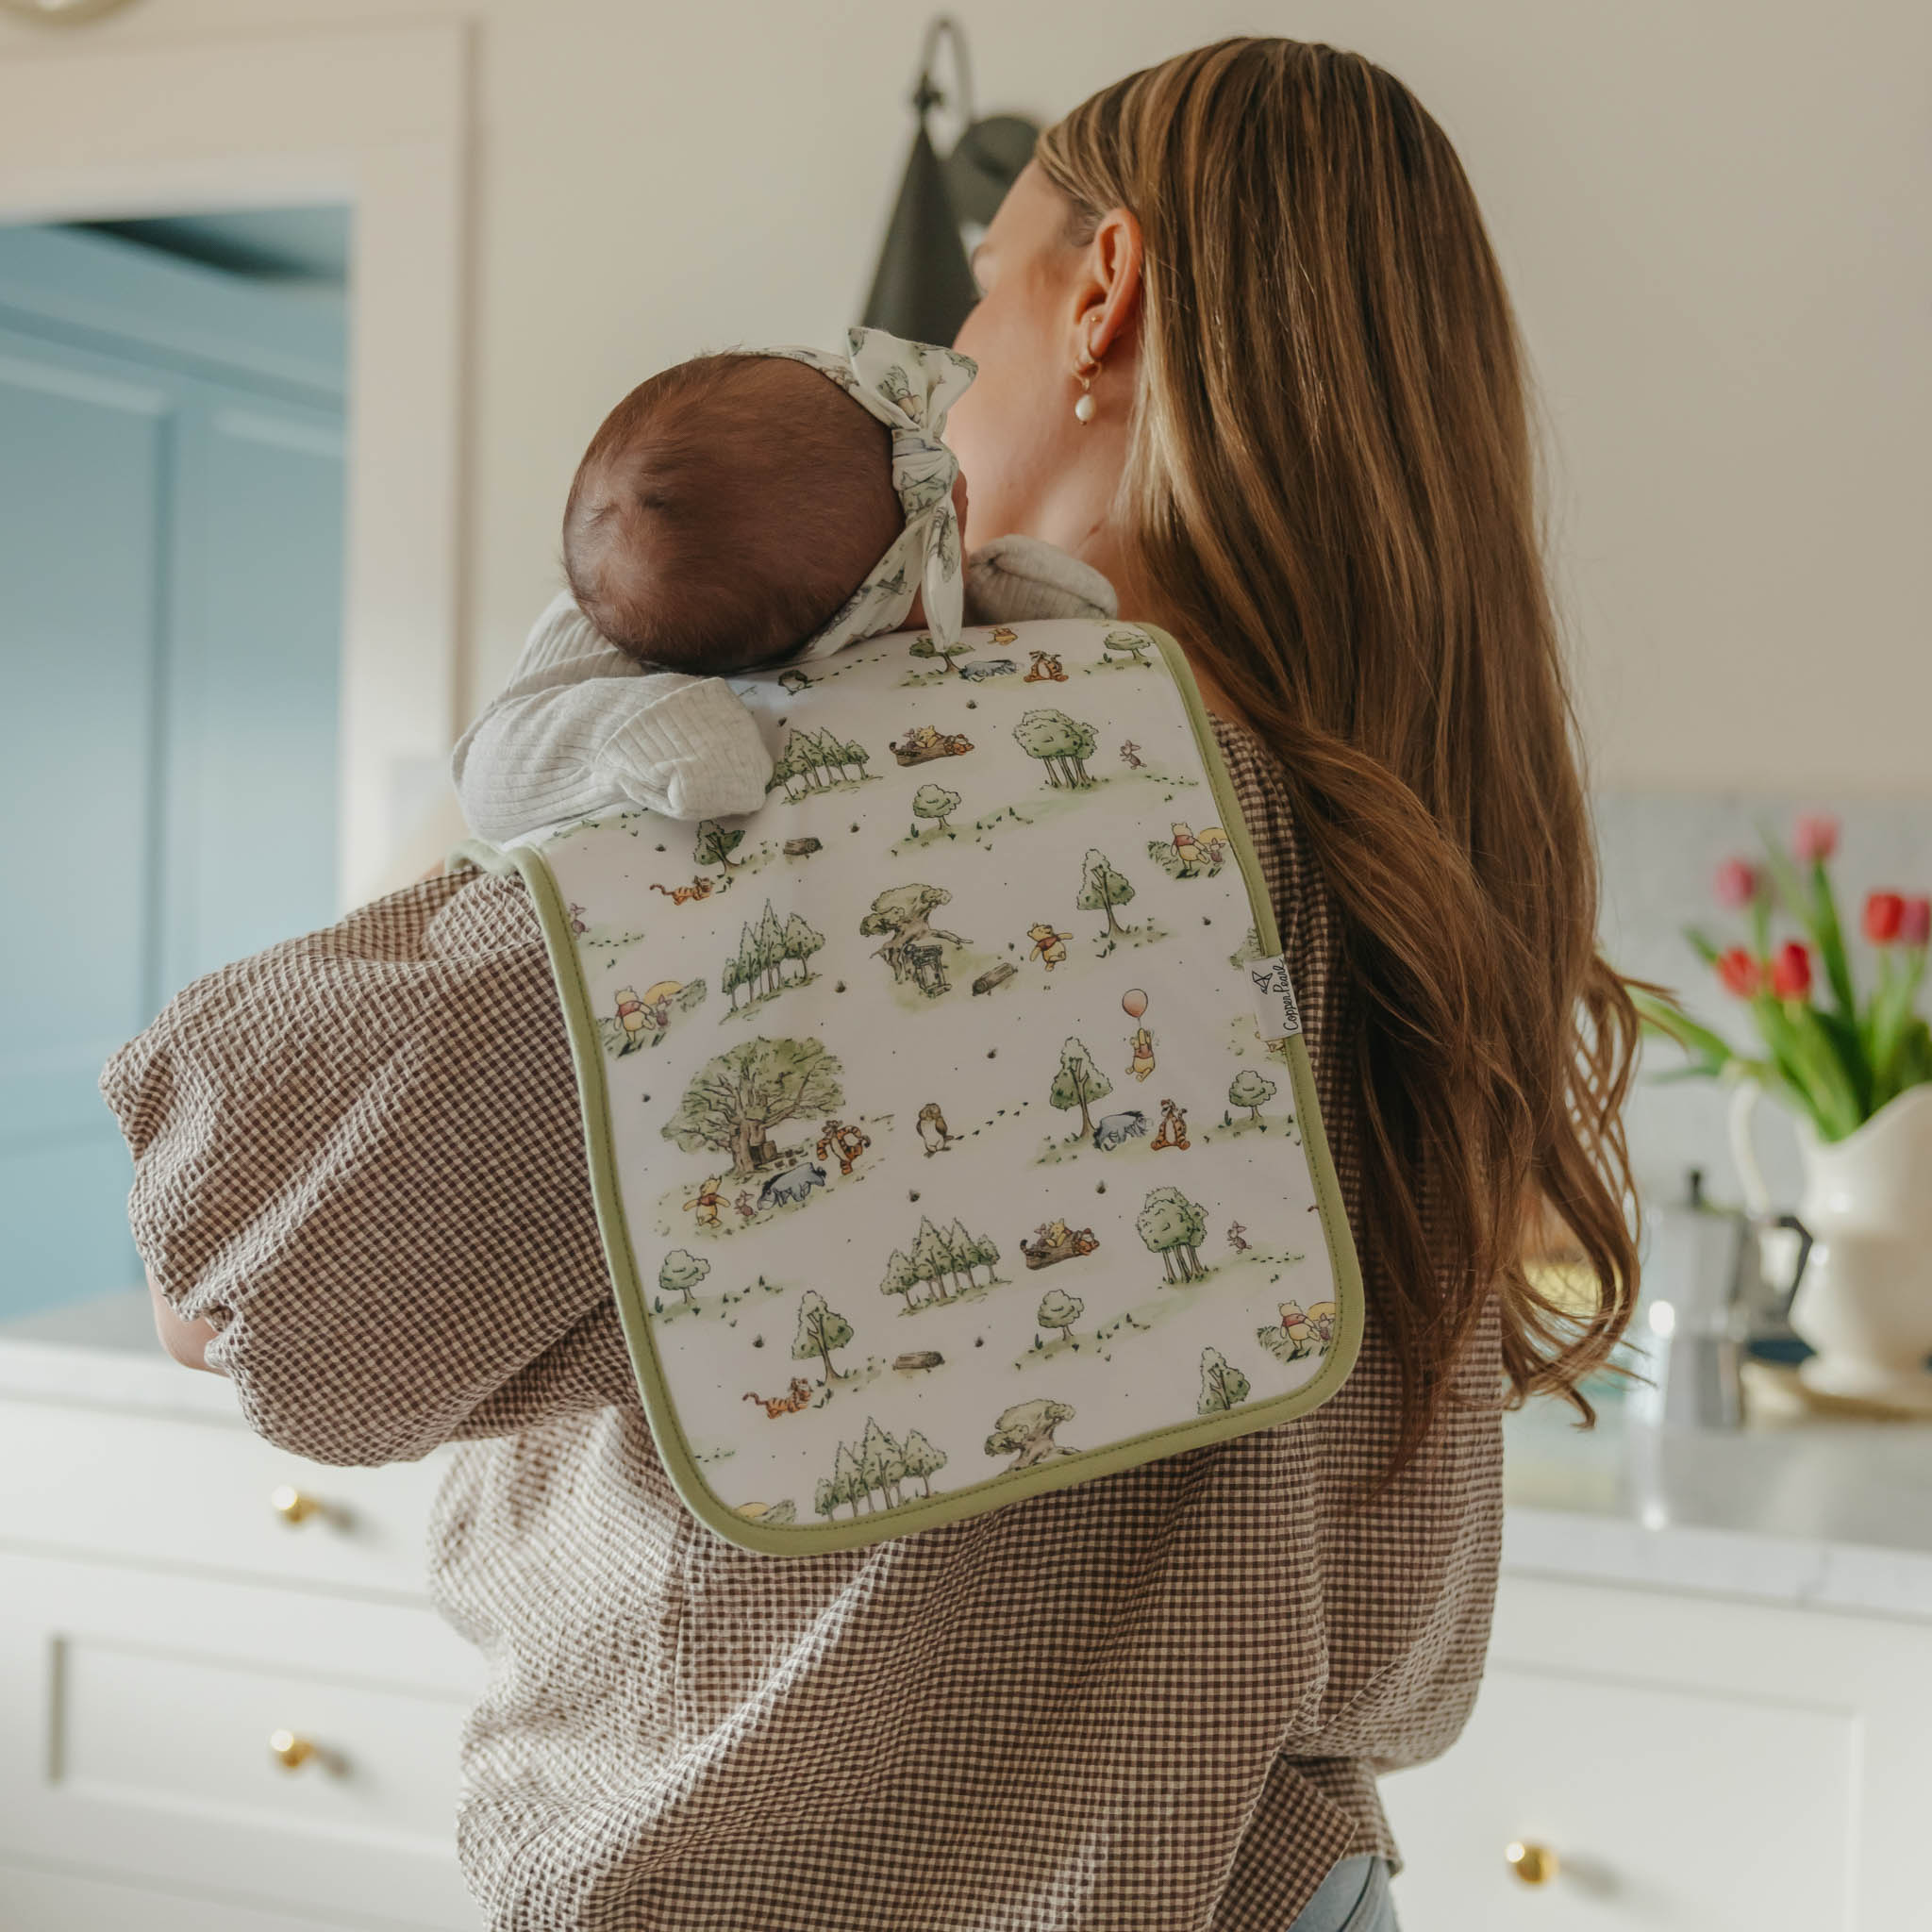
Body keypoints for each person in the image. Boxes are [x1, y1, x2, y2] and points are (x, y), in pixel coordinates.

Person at [103, 38, 1641, 1932]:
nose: (937, 363)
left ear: (1104, 292)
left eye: (969, 292)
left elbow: (242, 1278)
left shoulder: (895, 803)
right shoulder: (1411, 834)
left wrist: (547, 747)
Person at [452, 330, 1114, 841]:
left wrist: (986, 601)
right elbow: (485, 778)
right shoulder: (601, 636)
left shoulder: (773, 608)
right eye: (939, 545)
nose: (956, 482)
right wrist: (642, 732)